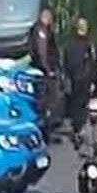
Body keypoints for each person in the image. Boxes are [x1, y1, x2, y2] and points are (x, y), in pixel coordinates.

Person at [63, 17, 97, 145]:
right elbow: (92, 63)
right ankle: (80, 131)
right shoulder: (88, 44)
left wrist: (67, 78)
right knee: (83, 106)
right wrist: (95, 81)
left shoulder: (68, 44)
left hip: (73, 79)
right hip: (84, 79)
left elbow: (65, 63)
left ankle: (76, 130)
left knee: (75, 105)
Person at [27, 8, 62, 137]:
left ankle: (45, 130)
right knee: (47, 101)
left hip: (40, 71)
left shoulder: (37, 29)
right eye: (50, 17)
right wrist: (49, 70)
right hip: (44, 73)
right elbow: (42, 53)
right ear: (46, 17)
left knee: (44, 101)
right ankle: (45, 132)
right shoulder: (41, 31)